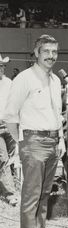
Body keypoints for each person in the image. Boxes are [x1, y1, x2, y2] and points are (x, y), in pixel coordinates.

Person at [4, 34, 66, 228]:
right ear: (37, 53)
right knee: (31, 195)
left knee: (45, 193)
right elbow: (10, 116)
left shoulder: (56, 80)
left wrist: (60, 141)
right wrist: (23, 142)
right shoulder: (24, 78)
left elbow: (57, 114)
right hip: (32, 141)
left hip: (53, 140)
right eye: (46, 51)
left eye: (54, 52)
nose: (51, 56)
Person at [0, 54, 18, 206]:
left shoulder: (9, 83)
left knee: (11, 158)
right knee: (3, 159)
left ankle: (9, 187)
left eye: (2, 66)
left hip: (10, 125)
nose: (1, 68)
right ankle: (10, 194)